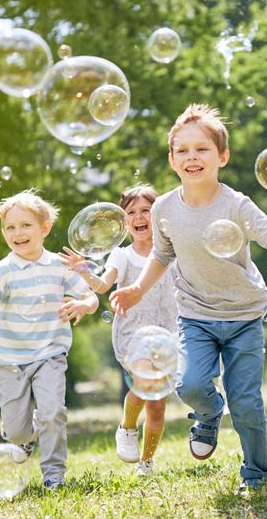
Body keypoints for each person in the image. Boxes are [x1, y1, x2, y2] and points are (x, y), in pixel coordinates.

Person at [110, 104, 267, 492]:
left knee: (246, 403)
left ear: (221, 156)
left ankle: (257, 474)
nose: (193, 156)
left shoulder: (236, 205)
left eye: (202, 149)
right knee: (189, 385)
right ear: (172, 159)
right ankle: (208, 414)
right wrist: (138, 289)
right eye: (183, 150)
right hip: (195, 315)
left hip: (243, 315)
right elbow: (162, 254)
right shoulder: (164, 208)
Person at [0, 189, 98, 490]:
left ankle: (54, 475)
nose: (18, 233)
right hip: (10, 361)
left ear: (44, 229)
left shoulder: (59, 266)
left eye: (26, 225)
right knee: (16, 430)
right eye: (10, 227)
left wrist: (83, 305)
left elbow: (91, 296)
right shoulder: (2, 272)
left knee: (52, 413)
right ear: (3, 232)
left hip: (49, 354)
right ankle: (24, 441)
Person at [59, 183, 178, 477]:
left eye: (146, 211)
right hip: (134, 331)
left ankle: (147, 462)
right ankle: (127, 427)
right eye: (131, 212)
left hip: (169, 331)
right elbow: (102, 285)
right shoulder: (121, 256)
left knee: (158, 406)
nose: (139, 217)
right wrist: (84, 270)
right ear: (124, 222)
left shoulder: (173, 251)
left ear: (158, 215)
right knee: (143, 384)